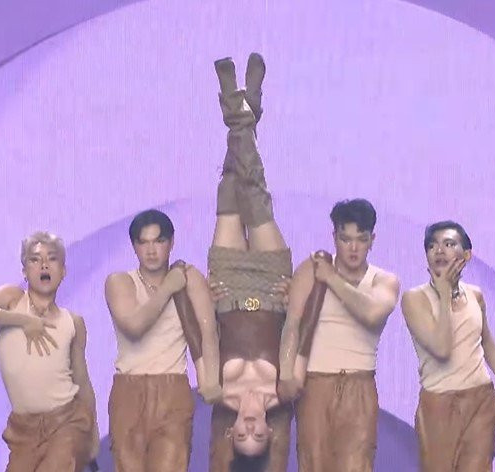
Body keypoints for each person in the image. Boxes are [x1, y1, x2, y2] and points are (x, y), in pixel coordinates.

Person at [204, 53, 295, 472]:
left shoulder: (216, 393)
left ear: (231, 432)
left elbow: (202, 336)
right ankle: (241, 111)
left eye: (242, 435)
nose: (251, 428)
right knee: (254, 192)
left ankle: (243, 112)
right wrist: (294, 300)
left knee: (229, 188)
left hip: (227, 292)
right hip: (272, 289)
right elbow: (300, 334)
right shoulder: (286, 391)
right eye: (259, 436)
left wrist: (205, 303)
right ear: (271, 434)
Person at [0, 231, 99, 471]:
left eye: (52, 258)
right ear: (24, 271)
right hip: (24, 431)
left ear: (63, 271)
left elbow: (82, 380)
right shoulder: (12, 300)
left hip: (66, 422)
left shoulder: (73, 322)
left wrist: (93, 433)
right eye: (35, 259)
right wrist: (24, 321)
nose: (44, 265)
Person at [281, 199, 400, 472]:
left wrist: (332, 279)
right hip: (315, 383)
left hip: (359, 385)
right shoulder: (312, 269)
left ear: (372, 240)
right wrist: (287, 373)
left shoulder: (384, 280)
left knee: (357, 465)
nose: (353, 248)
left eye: (361, 239)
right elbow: (292, 325)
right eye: (346, 239)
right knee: (313, 464)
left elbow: (371, 313)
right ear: (334, 237)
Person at [104, 209, 219, 471]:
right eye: (143, 242)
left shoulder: (190, 278)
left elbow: (208, 333)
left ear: (171, 242)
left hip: (172, 389)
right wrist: (168, 287)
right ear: (134, 246)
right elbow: (135, 326)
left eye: (159, 241)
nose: (151, 250)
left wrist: (209, 379)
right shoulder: (119, 282)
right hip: (128, 390)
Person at [401, 220, 495, 471]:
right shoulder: (414, 299)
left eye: (449, 244)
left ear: (467, 255)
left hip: (481, 400)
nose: (439, 251)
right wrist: (444, 295)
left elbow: (485, 339)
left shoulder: (475, 294)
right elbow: (442, 349)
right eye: (432, 246)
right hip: (440, 404)